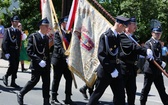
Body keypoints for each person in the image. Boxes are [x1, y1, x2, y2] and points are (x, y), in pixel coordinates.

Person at [87, 16, 130, 105]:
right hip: (106, 71)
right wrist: (111, 70)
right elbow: (101, 55)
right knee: (97, 94)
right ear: (120, 25)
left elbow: (118, 53)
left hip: (116, 70)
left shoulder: (117, 36)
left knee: (120, 96)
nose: (124, 30)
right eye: (124, 27)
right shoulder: (106, 36)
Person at [119, 17, 153, 105]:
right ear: (128, 25)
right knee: (120, 95)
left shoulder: (133, 37)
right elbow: (133, 47)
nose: (136, 26)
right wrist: (145, 51)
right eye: (134, 24)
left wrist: (147, 50)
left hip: (132, 69)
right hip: (123, 67)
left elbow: (140, 45)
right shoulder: (122, 36)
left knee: (132, 92)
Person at [17, 17, 51, 105]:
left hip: (45, 64)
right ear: (41, 26)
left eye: (48, 26)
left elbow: (46, 52)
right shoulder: (33, 36)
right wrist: (39, 61)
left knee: (47, 83)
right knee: (34, 81)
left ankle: (46, 101)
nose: (48, 28)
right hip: (37, 64)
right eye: (46, 26)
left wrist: (48, 64)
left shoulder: (46, 38)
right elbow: (29, 51)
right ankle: (21, 93)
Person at [140, 27, 168, 105]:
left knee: (162, 89)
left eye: (159, 33)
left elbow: (160, 56)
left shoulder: (159, 44)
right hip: (150, 70)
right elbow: (150, 57)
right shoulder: (148, 43)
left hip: (158, 71)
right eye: (156, 33)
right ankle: (142, 103)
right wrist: (160, 63)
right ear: (152, 33)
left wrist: (163, 64)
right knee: (146, 89)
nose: (158, 35)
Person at [50, 16, 74, 105]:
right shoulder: (58, 34)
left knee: (69, 78)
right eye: (66, 22)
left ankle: (68, 97)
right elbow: (58, 47)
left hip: (67, 61)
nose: (67, 24)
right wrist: (66, 56)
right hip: (59, 60)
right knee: (57, 79)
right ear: (62, 23)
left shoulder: (70, 34)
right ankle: (53, 98)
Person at [2, 15, 22, 88]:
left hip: (16, 51)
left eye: (18, 21)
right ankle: (6, 76)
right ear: (12, 22)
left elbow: (19, 42)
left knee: (16, 66)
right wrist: (6, 52)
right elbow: (5, 42)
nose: (17, 23)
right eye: (15, 21)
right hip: (10, 51)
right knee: (12, 65)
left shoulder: (18, 32)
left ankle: (13, 82)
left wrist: (19, 51)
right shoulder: (8, 30)